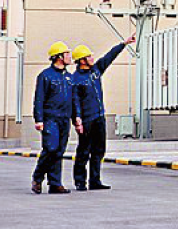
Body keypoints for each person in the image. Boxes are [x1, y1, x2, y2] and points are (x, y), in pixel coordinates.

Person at [71, 35, 135, 191]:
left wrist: (123, 44)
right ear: (82, 60)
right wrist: (77, 119)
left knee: (99, 150)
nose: (92, 58)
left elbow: (109, 57)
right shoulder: (76, 79)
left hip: (99, 117)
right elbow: (75, 101)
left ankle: (95, 180)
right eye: (89, 56)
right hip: (86, 120)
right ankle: (80, 181)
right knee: (84, 150)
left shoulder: (96, 70)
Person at [32, 41, 80, 194]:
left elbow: (74, 99)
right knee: (51, 148)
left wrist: (77, 117)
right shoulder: (45, 76)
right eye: (67, 54)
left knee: (59, 151)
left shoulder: (69, 77)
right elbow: (39, 99)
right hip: (50, 118)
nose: (70, 56)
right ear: (58, 57)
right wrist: (39, 119)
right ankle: (38, 177)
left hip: (64, 119)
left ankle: (55, 183)